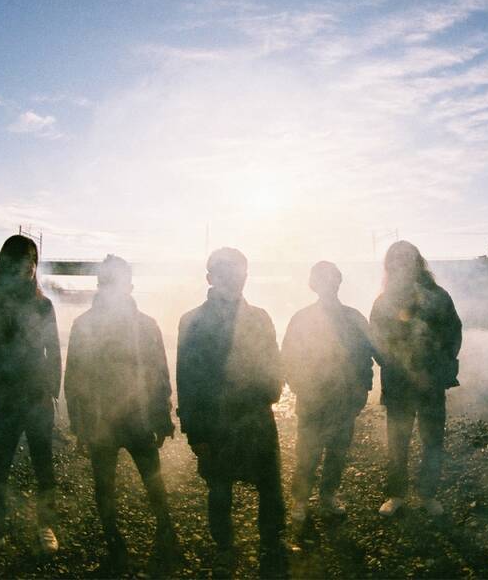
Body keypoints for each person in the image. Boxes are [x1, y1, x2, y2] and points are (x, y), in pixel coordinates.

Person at [176, 248, 286, 579]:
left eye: (238, 274)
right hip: (215, 423)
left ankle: (271, 542)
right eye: (225, 273)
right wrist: (195, 433)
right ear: (210, 278)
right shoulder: (192, 321)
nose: (233, 280)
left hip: (256, 417)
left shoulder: (260, 317)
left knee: (269, 486)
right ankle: (224, 546)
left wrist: (272, 390)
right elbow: (187, 380)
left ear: (245, 277)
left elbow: (273, 362)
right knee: (220, 489)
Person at [64, 255, 177, 570]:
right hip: (110, 421)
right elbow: (74, 379)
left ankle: (149, 536)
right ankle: (139, 538)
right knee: (126, 484)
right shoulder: (132, 324)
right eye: (109, 282)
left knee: (138, 483)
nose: (114, 288)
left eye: (118, 282)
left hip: (127, 419)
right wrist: (79, 426)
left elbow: (159, 376)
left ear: (129, 286)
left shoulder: (93, 324)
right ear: (103, 285)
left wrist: (162, 418)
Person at [0, 235, 61, 557]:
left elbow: (54, 350)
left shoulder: (43, 305)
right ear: (6, 263)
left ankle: (46, 526)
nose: (28, 266)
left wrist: (53, 391)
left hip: (38, 396)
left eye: (32, 260)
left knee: (43, 464)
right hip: (5, 397)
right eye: (22, 259)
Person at [370, 241, 462, 517]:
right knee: (397, 442)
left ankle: (428, 494)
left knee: (432, 440)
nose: (402, 264)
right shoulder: (383, 301)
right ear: (390, 265)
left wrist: (442, 366)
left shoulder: (438, 296)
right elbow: (375, 341)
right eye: (396, 260)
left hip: (431, 382)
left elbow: (454, 333)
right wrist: (395, 364)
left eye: (407, 259)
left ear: (417, 262)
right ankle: (396, 494)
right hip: (399, 383)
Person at [281, 261, 375, 523]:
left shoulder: (353, 318)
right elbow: (288, 357)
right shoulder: (303, 319)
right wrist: (300, 386)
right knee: (307, 451)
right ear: (314, 285)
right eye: (322, 280)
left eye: (331, 279)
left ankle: (327, 496)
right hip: (313, 397)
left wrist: (362, 389)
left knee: (337, 450)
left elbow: (365, 357)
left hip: (344, 397)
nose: (328, 284)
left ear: (338, 282)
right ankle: (301, 499)